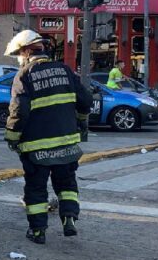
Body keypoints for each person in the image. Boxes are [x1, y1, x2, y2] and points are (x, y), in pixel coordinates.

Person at [5, 30, 93, 245]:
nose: (19, 59)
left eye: (19, 54)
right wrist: (81, 121)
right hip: (67, 145)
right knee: (66, 183)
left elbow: (19, 111)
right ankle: (69, 217)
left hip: (37, 148)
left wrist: (12, 136)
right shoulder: (65, 70)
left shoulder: (24, 75)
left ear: (27, 52)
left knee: (36, 188)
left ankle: (38, 231)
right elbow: (85, 101)